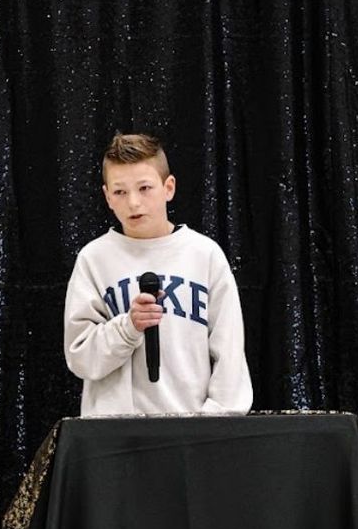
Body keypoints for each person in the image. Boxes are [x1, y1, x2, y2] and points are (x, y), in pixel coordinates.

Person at [64, 133, 252, 417]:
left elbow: (230, 353)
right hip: (115, 437)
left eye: (145, 188)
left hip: (193, 431)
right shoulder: (94, 259)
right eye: (120, 192)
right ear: (107, 197)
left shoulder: (204, 254)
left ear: (169, 187)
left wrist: (213, 424)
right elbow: (80, 358)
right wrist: (128, 327)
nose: (134, 203)